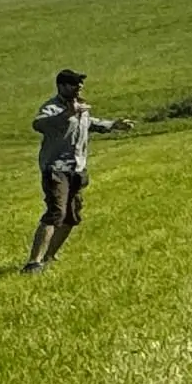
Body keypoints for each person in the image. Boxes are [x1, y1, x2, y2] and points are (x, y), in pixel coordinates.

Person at [25, 69, 132, 274]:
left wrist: (112, 125)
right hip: (56, 169)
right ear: (61, 86)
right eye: (74, 85)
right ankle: (33, 263)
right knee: (56, 212)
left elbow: (89, 123)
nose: (79, 88)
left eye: (80, 85)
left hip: (77, 168)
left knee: (71, 216)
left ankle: (49, 256)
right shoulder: (51, 108)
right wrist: (66, 115)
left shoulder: (81, 107)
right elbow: (38, 124)